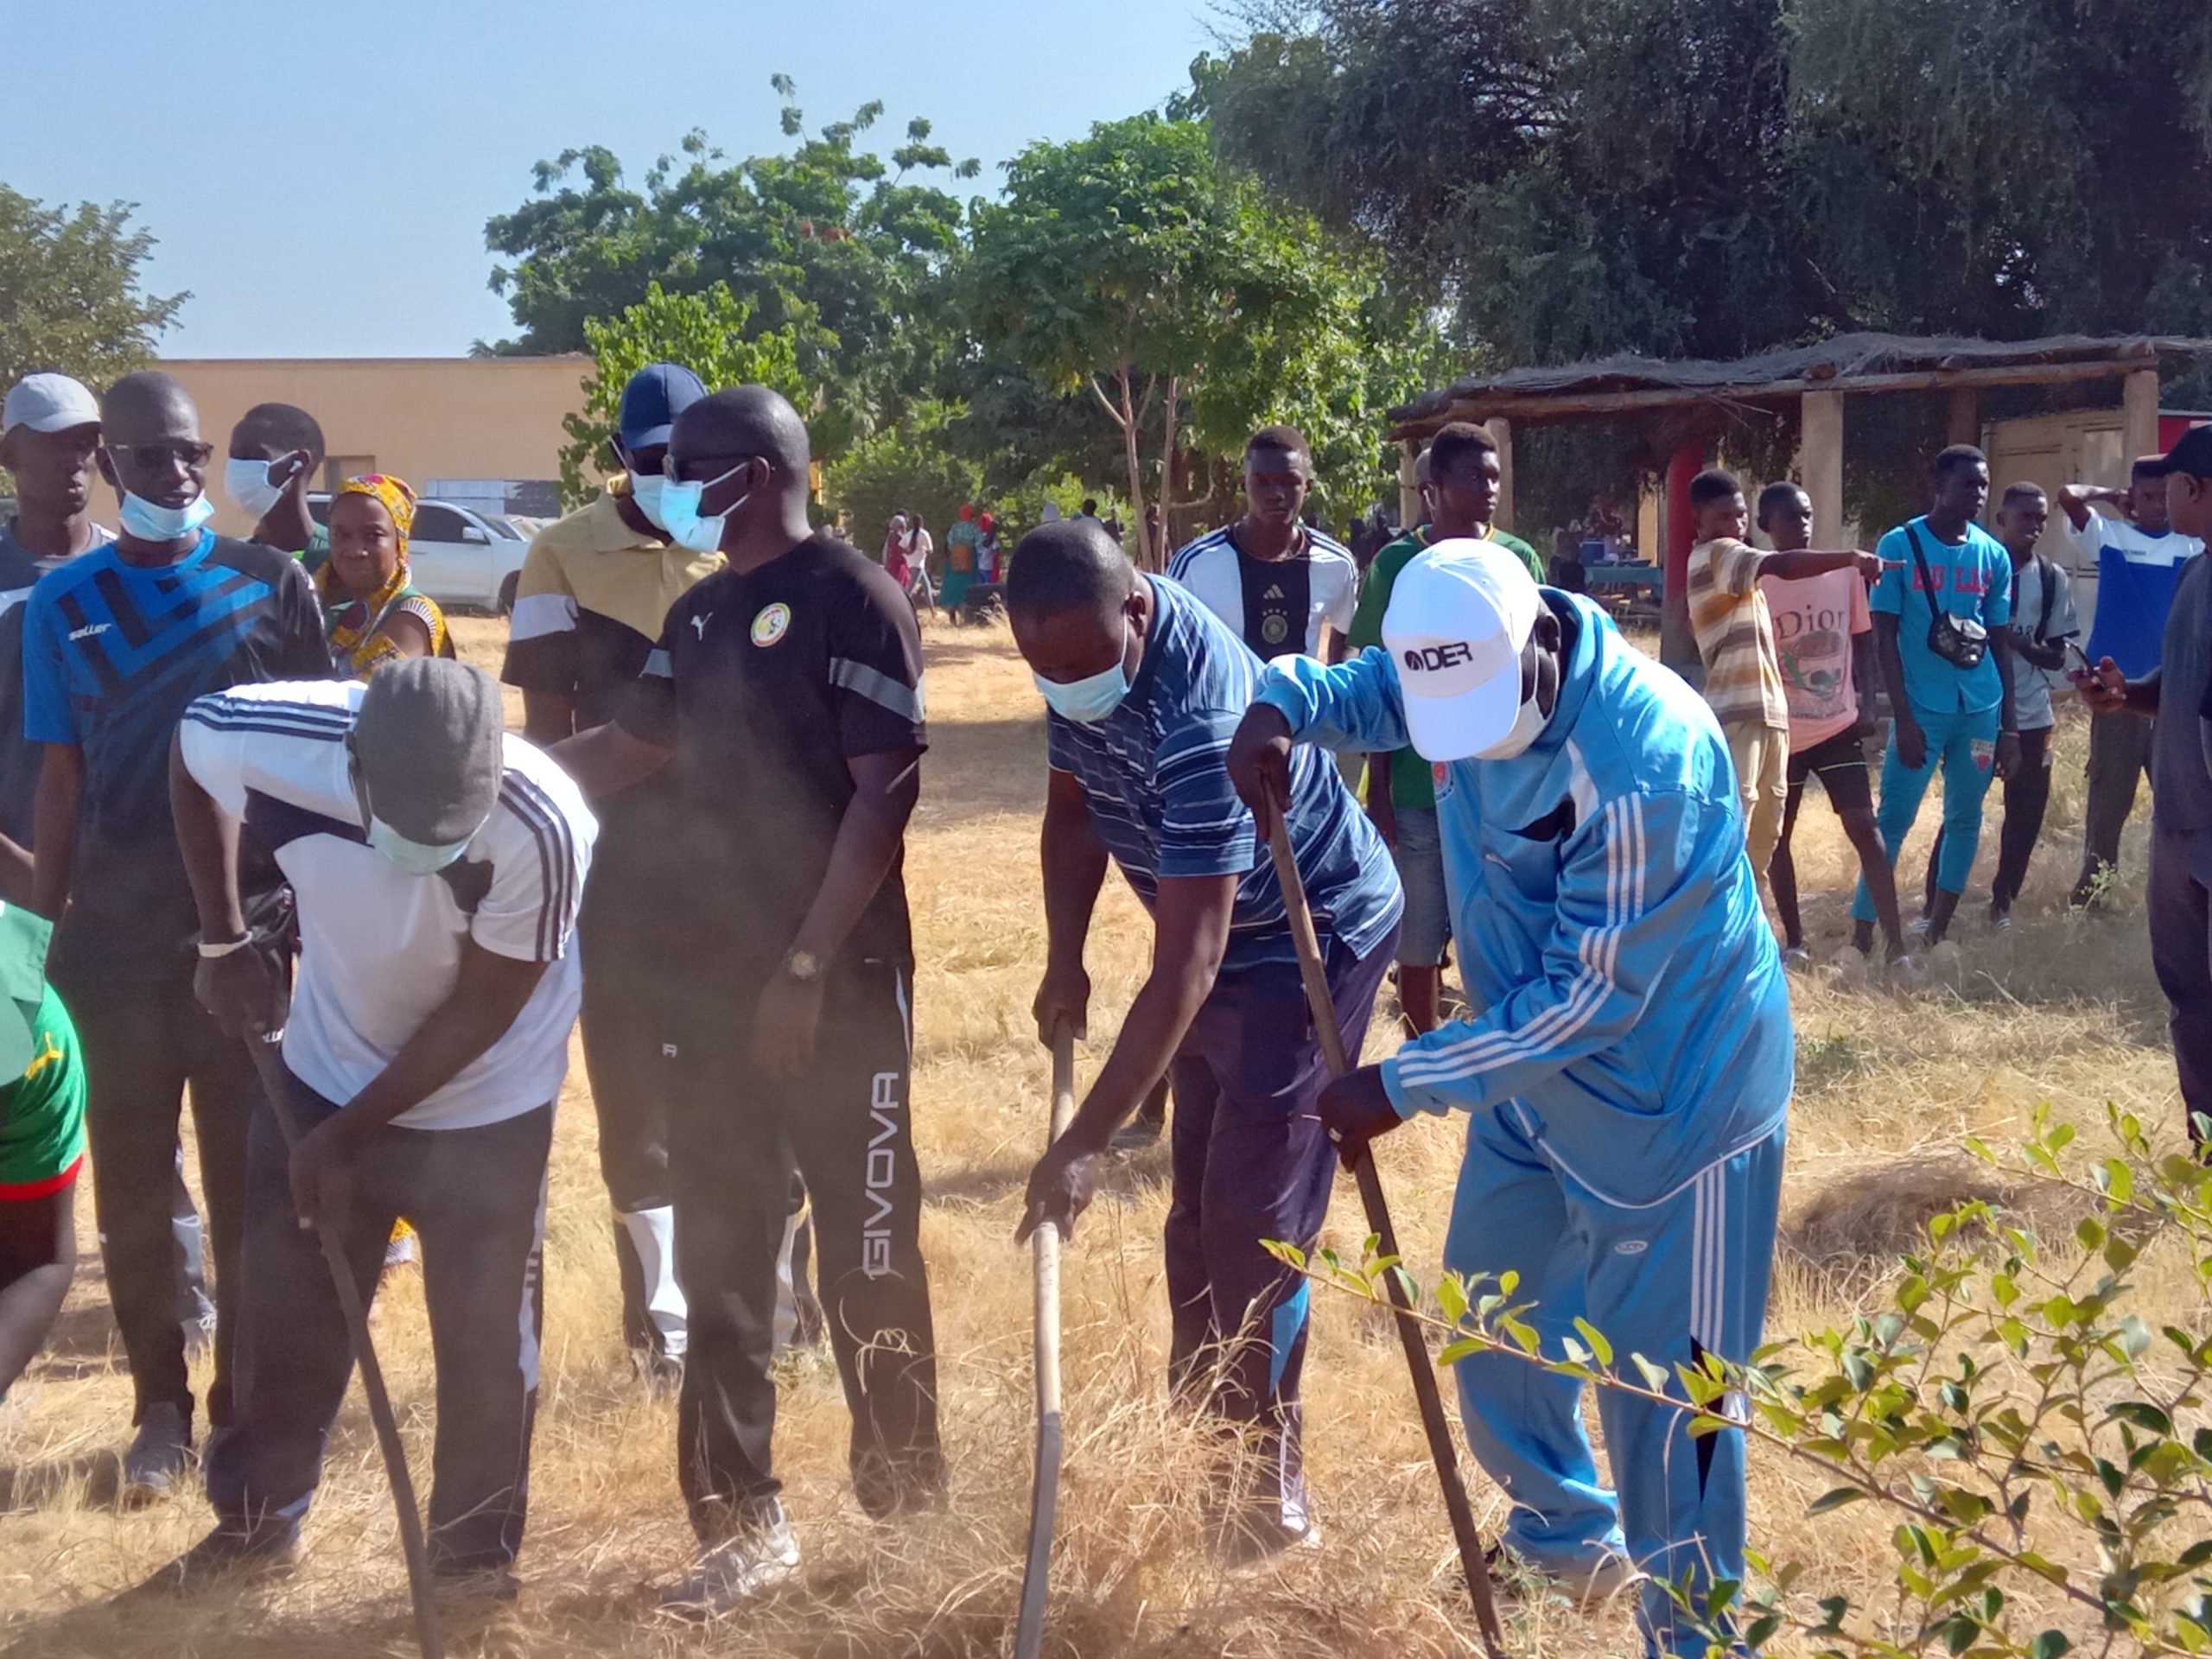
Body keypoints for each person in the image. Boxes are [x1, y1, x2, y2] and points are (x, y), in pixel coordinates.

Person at [1225, 541, 1791, 1658]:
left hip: (1675, 1114)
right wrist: (1283, 704)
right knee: (1489, 1324)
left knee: (1671, 1415)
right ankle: (1567, 1544)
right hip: (1531, 1094)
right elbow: (1369, 691)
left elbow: (1590, 999)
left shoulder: (1648, 765)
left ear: (1541, 639)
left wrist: (1401, 1081)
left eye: (1484, 711)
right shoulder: (1457, 660)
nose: (1469, 743)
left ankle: (1692, 1640)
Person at [550, 386, 942, 1615]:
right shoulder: (704, 611)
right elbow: (629, 749)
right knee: (722, 1267)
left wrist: (807, 971)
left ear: (759, 473)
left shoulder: (855, 601)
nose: (660, 483)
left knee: (868, 1259)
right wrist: (495, 780)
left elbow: (883, 800)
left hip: (842, 991)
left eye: (683, 467)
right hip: (711, 994)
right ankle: (739, 1523)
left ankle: (908, 1514)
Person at [153, 661, 594, 1593]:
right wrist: (222, 936)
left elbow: (483, 1011)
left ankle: (471, 1562)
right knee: (282, 1316)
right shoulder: (270, 739)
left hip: (487, 1105)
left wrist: (348, 1135)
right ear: (352, 768)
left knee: (483, 1341)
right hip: (322, 1071)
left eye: (449, 827)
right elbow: (190, 759)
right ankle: (254, 1528)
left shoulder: (544, 824)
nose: (425, 844)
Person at [1009, 519, 1401, 1564]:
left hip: (1305, 940)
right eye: (1041, 670)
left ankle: (1265, 1478)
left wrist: (1084, 1139)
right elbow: (1073, 811)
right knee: (1194, 1216)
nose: (1063, 687)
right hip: (1210, 933)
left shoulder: (1198, 717)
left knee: (1255, 1222)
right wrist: (1065, 959)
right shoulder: (1072, 654)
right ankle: (1205, 1425)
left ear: (1136, 610)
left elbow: (1187, 967)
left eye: (1080, 669)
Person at [23, 372, 332, 1497]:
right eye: (154, 459)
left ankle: (242, 1405)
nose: (181, 476)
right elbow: (60, 778)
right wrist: (33, 943)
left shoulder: (270, 585)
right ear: (113, 469)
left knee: (253, 1186)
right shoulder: (67, 605)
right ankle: (161, 1408)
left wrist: (315, 925)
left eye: (192, 455)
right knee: (137, 1192)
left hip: (248, 945)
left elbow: (321, 765)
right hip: (113, 951)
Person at [503, 362, 715, 1379]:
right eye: (653, 461)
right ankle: (663, 1334)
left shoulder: (751, 544)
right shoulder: (559, 557)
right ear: (619, 461)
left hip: (746, 877)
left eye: (695, 462)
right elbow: (545, 748)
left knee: (754, 1092)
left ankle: (778, 1303)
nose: (677, 479)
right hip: (620, 880)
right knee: (637, 1106)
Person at [1, 375, 215, 1346]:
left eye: (90, 441)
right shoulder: (30, 593)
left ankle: (180, 1303)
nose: (75, 459)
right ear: (10, 452)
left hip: (123, 904)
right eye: (54, 442)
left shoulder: (124, 577)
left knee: (138, 1125)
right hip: (24, 896)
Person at [1351, 425, 1542, 1034]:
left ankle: (1501, 1042)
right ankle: (1422, 1051)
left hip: (1502, 781)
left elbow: (1538, 669)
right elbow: (1376, 681)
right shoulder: (1395, 566)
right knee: (1420, 927)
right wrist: (1376, 791)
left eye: (1495, 477)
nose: (1489, 489)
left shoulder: (1518, 560)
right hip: (1415, 782)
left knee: (1503, 920)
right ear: (1433, 490)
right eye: (1475, 478)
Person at [2071, 423, 2212, 1147]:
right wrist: (2129, 696)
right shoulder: (2196, 573)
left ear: (2192, 491)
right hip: (2180, 829)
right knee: (2189, 995)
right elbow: (2184, 685)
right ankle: (2204, 1146)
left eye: (2171, 488)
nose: (2159, 500)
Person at [1685, 468, 1885, 915]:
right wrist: (1851, 558)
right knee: (1734, 827)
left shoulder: (1738, 567)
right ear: (1697, 518)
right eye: (1724, 516)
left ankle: (1744, 935)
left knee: (1765, 837)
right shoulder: (1718, 555)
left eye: (1739, 515)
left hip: (1770, 715)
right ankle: (1711, 932)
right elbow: (1784, 564)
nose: (1735, 525)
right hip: (1738, 716)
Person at [1852, 445, 2020, 951]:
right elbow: (1883, 636)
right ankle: (1862, 932)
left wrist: (2009, 729)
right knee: (1893, 820)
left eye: (1984, 485)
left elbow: (2000, 642)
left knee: (1966, 817)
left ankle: (1937, 929)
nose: (1978, 494)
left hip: (1980, 707)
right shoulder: (1899, 544)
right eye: (1968, 484)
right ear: (1940, 486)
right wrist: (1900, 718)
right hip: (1921, 709)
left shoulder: (1993, 555)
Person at [1755, 483, 1911, 969]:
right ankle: (1796, 941)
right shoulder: (1758, 579)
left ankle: (1896, 945)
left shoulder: (1842, 573)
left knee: (1865, 827)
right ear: (1766, 526)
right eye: (1789, 518)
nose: (1802, 525)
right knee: (1780, 837)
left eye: (1806, 515)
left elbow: (1862, 640)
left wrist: (1867, 703)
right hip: (1783, 730)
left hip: (1837, 726)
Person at [1924, 484, 2077, 928]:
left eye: (2040, 518)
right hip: (1976, 713)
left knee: (2026, 816)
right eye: (2024, 517)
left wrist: (2014, 640)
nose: (2033, 526)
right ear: (2001, 520)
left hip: (2032, 716)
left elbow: (2058, 652)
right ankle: (1935, 904)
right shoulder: (1978, 572)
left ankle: (2002, 903)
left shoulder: (2051, 578)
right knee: (1962, 810)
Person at [2060, 458, 2206, 907]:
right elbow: (2067, 495)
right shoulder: (2110, 537)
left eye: (2164, 495)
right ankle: (2095, 889)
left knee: (2181, 798)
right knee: (2109, 797)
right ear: (2132, 498)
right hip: (2119, 693)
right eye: (2145, 496)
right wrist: (2108, 496)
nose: (2156, 506)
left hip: (2172, 695)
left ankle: (2185, 890)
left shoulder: (2192, 548)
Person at [1168, 427, 1359, 662]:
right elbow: (1169, 651)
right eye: (1262, 482)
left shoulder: (1337, 564)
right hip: (1225, 700)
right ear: (1244, 485)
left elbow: (1345, 642)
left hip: (1300, 698)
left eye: (1289, 482)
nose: (1275, 494)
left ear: (1307, 487)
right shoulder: (1194, 564)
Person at [314, 475, 448, 677]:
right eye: (342, 535)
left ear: (399, 543)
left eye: (373, 536)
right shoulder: (334, 610)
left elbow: (372, 698)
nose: (355, 550)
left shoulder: (411, 616)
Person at [224, 403, 326, 560]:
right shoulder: (232, 564)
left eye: (254, 455)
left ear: (298, 463)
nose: (240, 465)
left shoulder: (340, 559)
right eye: (235, 455)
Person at [942, 504, 981, 623]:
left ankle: (952, 614)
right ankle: (967, 616)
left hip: (955, 560)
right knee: (968, 586)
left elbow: (949, 543)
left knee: (952, 586)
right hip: (970, 560)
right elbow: (979, 543)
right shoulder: (974, 529)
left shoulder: (955, 528)